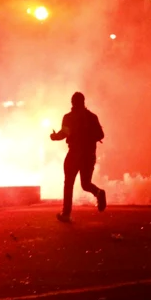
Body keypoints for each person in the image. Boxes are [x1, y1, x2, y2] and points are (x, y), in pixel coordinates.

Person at [51, 92, 107, 222]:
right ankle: (98, 192)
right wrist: (89, 137)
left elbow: (63, 134)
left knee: (69, 184)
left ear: (72, 102)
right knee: (86, 184)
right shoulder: (92, 117)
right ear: (83, 102)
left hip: (74, 154)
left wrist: (54, 137)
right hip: (89, 155)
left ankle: (66, 214)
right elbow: (101, 134)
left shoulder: (68, 117)